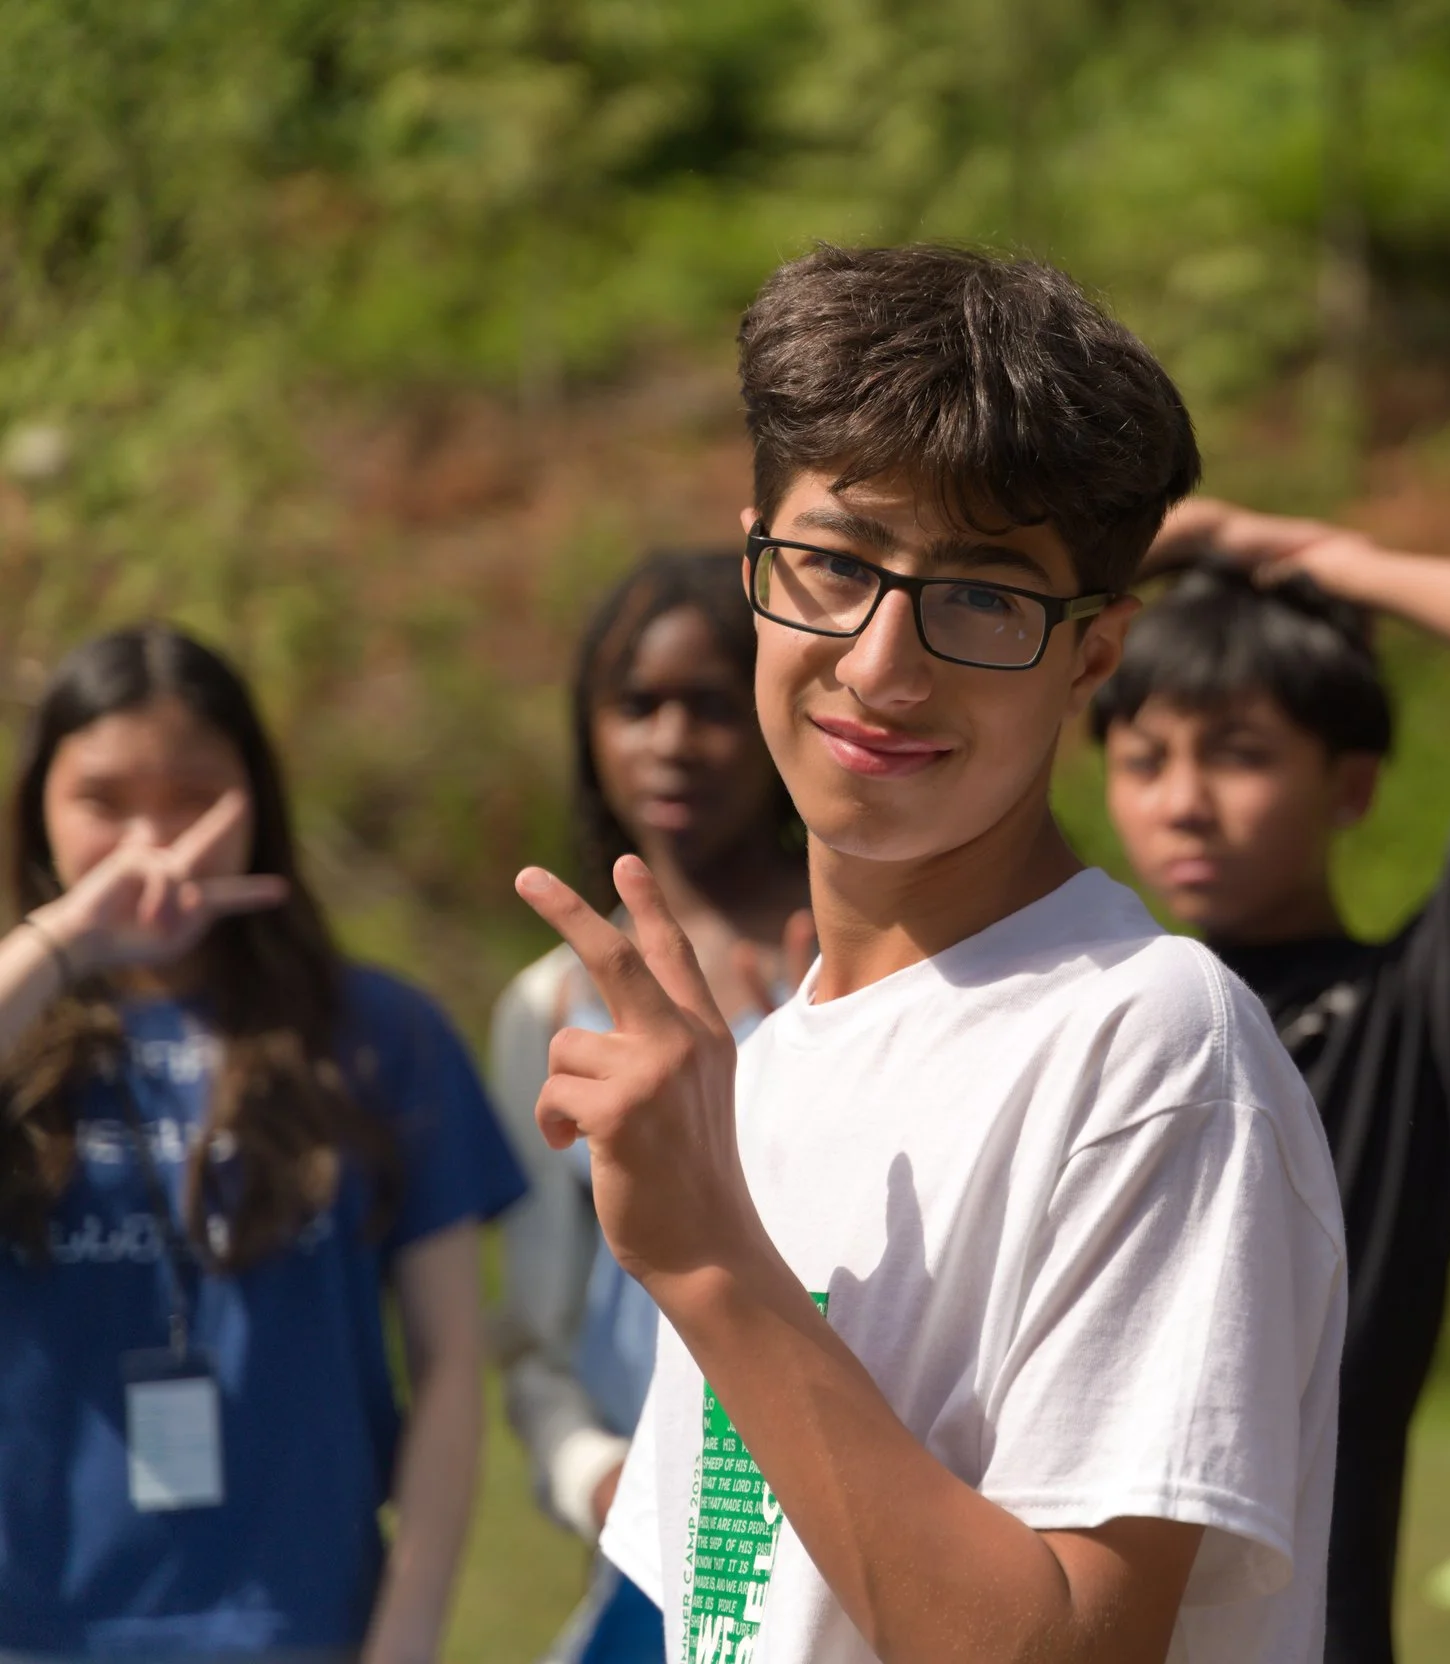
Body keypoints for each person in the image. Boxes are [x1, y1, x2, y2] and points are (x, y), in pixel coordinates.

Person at [520, 245, 1346, 1663]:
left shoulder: (1149, 1047)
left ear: (1094, 655)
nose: (882, 664)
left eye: (981, 596)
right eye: (837, 564)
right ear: (757, 566)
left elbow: (1072, 1646)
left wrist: (709, 1260)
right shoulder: (769, 1062)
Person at [1091, 504, 1450, 1663]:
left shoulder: (1417, 1015)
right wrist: (1104, 560)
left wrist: (1305, 555)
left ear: (1352, 785)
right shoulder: (1090, 1018)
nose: (1182, 799)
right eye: (1142, 758)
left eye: (1239, 752)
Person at [0, 625, 526, 1659]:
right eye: (103, 801)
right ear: (39, 812)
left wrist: (407, 1632)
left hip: (297, 1623)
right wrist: (64, 942)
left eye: (194, 797)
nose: (154, 844)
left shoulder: (380, 1032)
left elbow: (450, 1363)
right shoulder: (21, 1025)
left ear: (259, 802)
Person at [491, 551, 814, 1663]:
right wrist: (596, 1477)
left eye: (712, 706)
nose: (671, 740)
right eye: (637, 705)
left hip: (844, 1494)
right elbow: (535, 1330)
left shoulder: (858, 962)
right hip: (655, 1549)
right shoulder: (547, 1006)